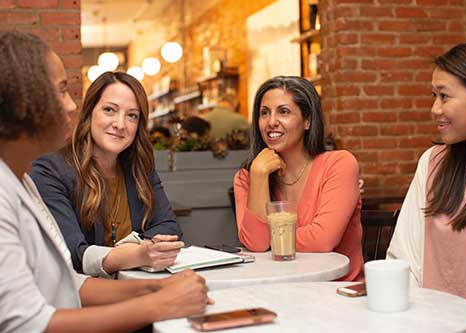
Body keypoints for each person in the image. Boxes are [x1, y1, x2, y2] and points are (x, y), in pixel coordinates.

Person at [0, 30, 209, 333]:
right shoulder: (31, 178)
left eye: (132, 116)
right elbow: (25, 322)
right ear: (22, 102)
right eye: (60, 91)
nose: (71, 106)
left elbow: (71, 282)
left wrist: (156, 288)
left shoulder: (21, 182)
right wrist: (158, 303)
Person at [387, 42, 466, 330]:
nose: (435, 109)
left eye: (445, 96)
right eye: (433, 95)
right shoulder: (433, 162)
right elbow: (403, 259)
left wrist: (440, 314)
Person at [30, 71, 183, 278]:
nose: (120, 124)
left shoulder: (140, 167)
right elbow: (72, 252)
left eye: (132, 116)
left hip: (138, 288)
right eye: (110, 110)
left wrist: (139, 251)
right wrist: (138, 254)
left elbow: (169, 228)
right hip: (83, 299)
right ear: (89, 112)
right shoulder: (50, 171)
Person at [233, 76, 363, 281]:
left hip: (338, 293)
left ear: (307, 121)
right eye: (264, 113)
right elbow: (257, 245)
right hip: (280, 291)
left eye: (283, 112)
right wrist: (258, 176)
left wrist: (271, 240)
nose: (271, 122)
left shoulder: (339, 164)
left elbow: (323, 240)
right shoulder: (247, 177)